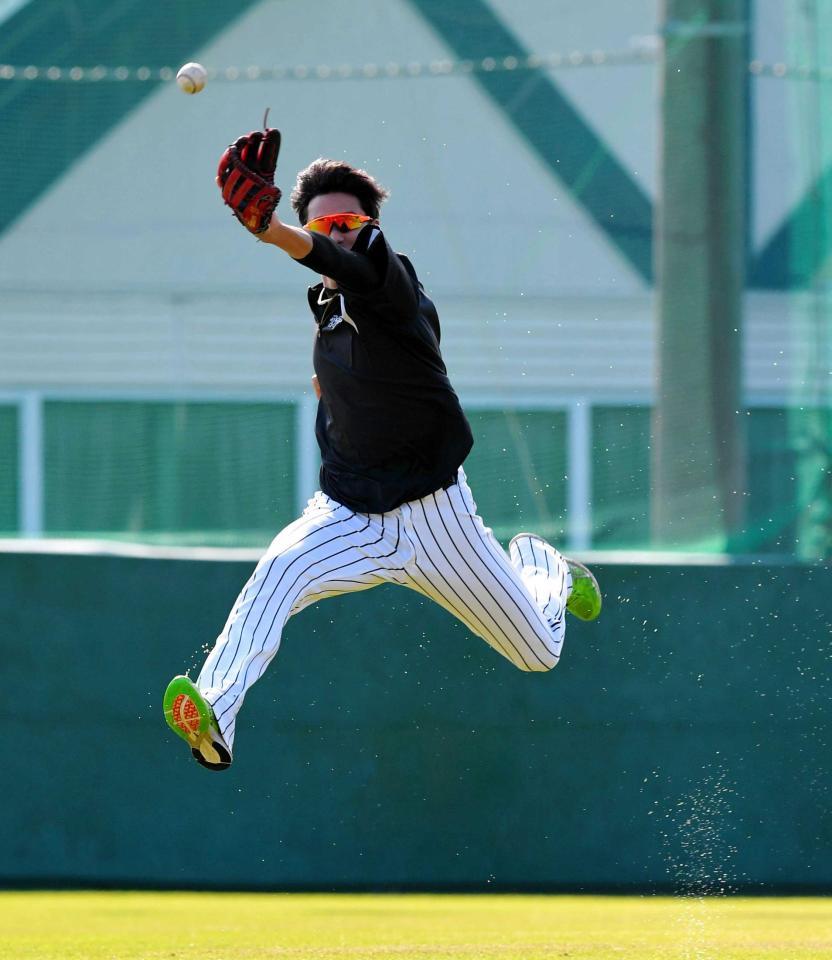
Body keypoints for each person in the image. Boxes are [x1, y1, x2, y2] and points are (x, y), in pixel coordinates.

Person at [163, 125, 602, 770]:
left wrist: (269, 231)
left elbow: (344, 264)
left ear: (369, 225)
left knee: (539, 651)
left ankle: (541, 567)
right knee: (278, 574)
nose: (334, 232)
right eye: (320, 223)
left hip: (437, 517)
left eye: (345, 221)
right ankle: (212, 718)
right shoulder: (326, 308)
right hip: (348, 513)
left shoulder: (392, 283)